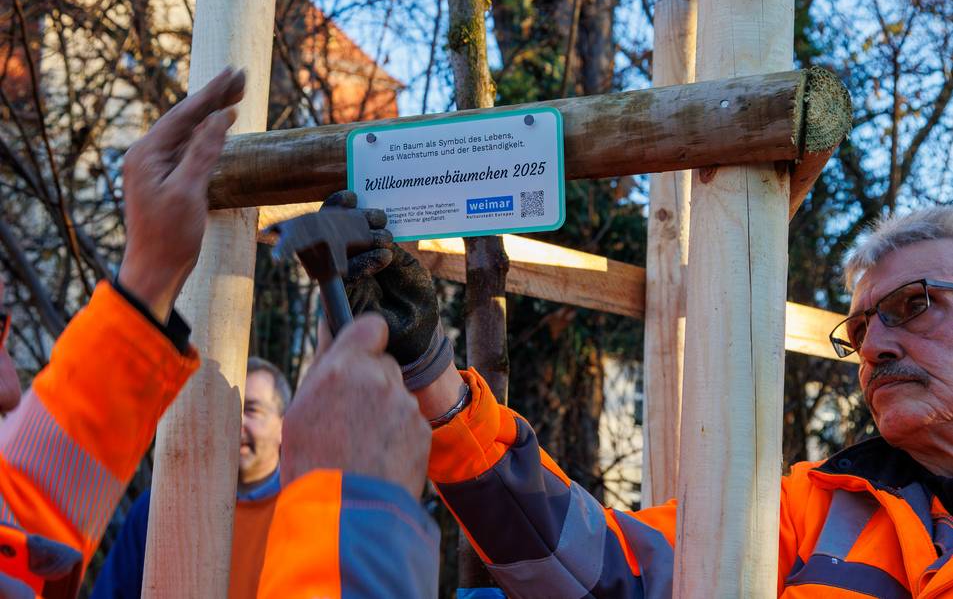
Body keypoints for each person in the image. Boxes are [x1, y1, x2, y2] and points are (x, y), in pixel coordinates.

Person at [338, 197, 953, 598]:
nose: (874, 347)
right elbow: (601, 567)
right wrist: (428, 369)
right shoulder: (810, 508)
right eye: (861, 328)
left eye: (912, 305)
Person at [0, 70, 438, 598]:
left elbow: (22, 510)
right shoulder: (162, 513)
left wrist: (148, 278)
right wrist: (361, 526)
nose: (9, 385)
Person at [91, 357, 290, 599]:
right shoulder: (159, 508)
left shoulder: (305, 515)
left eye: (251, 410)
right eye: (223, 408)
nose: (234, 421)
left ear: (284, 427)